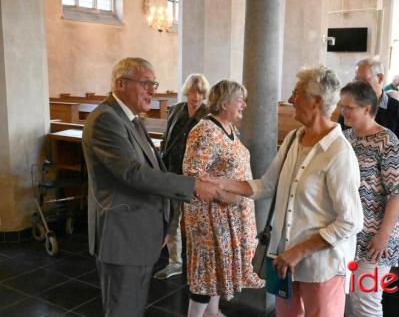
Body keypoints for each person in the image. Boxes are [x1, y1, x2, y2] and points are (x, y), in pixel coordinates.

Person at [212, 66, 363, 317]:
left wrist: (297, 252)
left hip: (320, 267)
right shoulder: (294, 138)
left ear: (316, 101)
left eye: (296, 93)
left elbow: (350, 221)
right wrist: (221, 184)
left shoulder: (339, 152)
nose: (291, 99)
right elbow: (266, 185)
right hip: (282, 262)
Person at [82, 57, 218, 317]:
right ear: (121, 83)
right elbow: (134, 173)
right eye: (145, 83)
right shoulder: (105, 119)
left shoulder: (131, 119)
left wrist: (166, 223)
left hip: (140, 232)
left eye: (153, 83)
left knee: (134, 306)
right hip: (123, 236)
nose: (152, 91)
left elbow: (157, 167)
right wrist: (193, 186)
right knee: (123, 309)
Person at [182, 80, 264, 317]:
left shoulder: (228, 128)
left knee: (217, 270)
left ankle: (213, 312)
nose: (244, 105)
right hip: (210, 217)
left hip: (229, 216)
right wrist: (228, 196)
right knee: (206, 275)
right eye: (240, 100)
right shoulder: (205, 130)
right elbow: (193, 175)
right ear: (225, 102)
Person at [340, 81, 399, 317]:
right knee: (348, 300)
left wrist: (382, 236)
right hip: (349, 234)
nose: (343, 112)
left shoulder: (387, 142)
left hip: (376, 236)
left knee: (366, 302)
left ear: (367, 108)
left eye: (349, 107)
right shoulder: (346, 138)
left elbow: (397, 193)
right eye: (342, 106)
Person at [154, 73, 209, 280]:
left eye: (201, 92)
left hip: (197, 177)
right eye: (193, 91)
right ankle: (175, 262)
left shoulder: (208, 114)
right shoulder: (176, 110)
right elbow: (167, 136)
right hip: (173, 170)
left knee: (199, 220)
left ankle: (201, 263)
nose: (196, 96)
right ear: (187, 91)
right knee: (173, 218)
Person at [343, 58, 399, 162]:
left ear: (380, 78)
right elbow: (342, 140)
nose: (358, 85)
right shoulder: (350, 107)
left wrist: (388, 168)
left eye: (363, 80)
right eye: (356, 80)